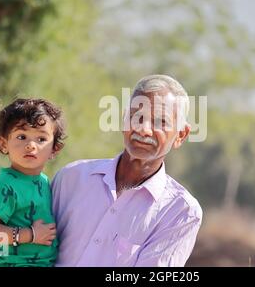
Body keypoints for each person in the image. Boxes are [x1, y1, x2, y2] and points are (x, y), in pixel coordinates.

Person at [52, 74, 203, 266]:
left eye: (160, 122)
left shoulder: (181, 212)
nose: (144, 129)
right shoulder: (71, 178)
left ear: (181, 135)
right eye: (137, 116)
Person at [0, 98, 65, 267]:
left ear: (54, 149)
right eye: (22, 136)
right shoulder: (5, 185)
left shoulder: (45, 181)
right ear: (3, 143)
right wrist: (30, 234)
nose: (31, 145)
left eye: (41, 139)